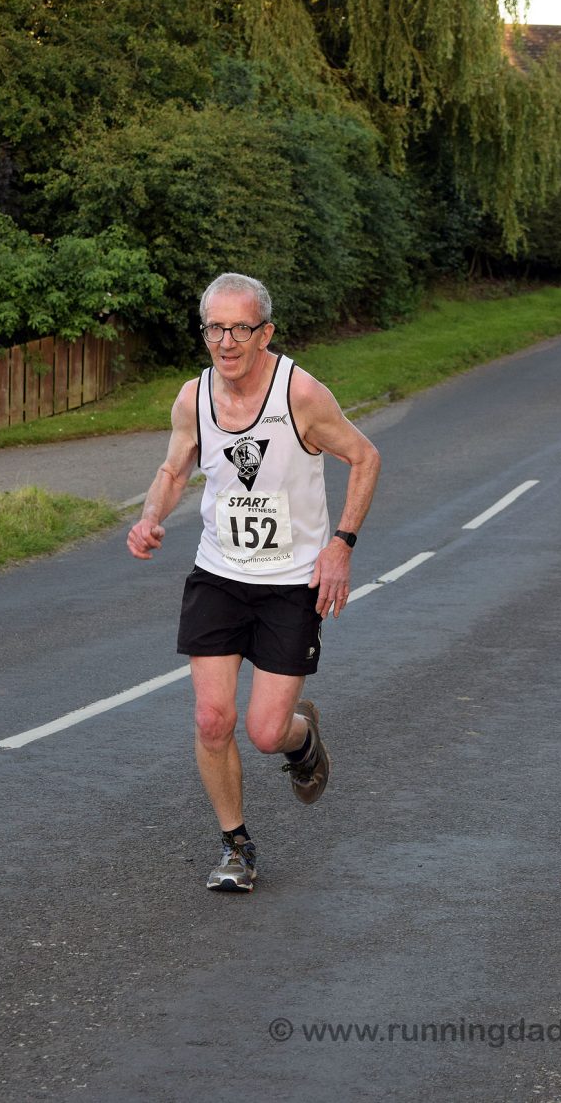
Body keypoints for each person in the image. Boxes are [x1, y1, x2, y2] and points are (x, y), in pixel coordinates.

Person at [127, 273, 381, 892]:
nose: (227, 342)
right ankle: (235, 844)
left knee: (265, 731)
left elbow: (365, 456)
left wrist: (341, 545)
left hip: (291, 584)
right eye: (215, 328)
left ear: (265, 333)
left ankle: (302, 737)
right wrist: (151, 515)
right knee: (212, 718)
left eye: (240, 329)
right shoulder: (193, 398)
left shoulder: (301, 394)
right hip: (218, 575)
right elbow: (174, 468)